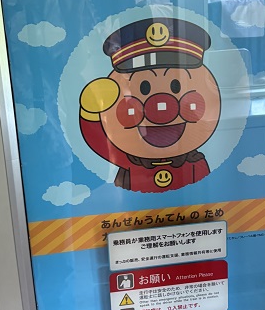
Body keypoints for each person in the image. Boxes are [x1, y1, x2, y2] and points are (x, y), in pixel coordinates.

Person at [79, 18, 221, 193]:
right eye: (144, 88)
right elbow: (99, 141)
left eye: (176, 86)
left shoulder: (195, 164)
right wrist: (91, 112)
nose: (162, 106)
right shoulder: (128, 158)